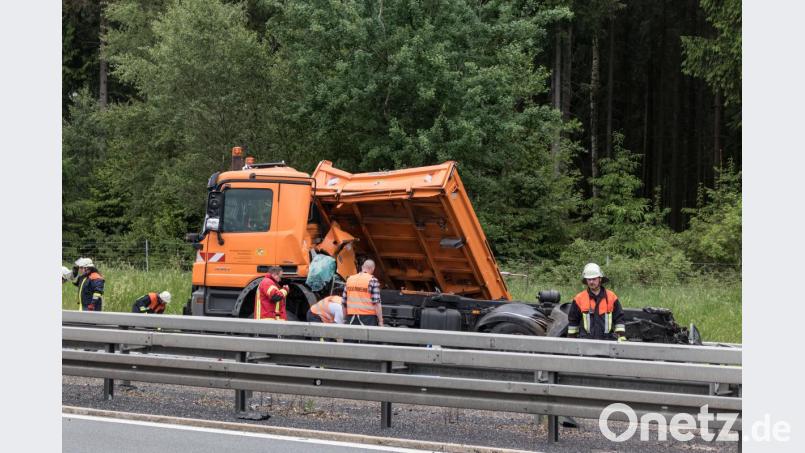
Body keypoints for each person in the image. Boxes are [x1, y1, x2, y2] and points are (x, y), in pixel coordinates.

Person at [567, 263, 626, 342]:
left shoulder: (611, 297)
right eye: (589, 279)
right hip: (585, 342)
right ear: (586, 280)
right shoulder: (579, 298)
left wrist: (621, 336)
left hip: (607, 341)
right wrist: (571, 340)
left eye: (594, 279)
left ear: (600, 279)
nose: (591, 282)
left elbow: (619, 319)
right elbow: (573, 322)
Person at [343, 259, 384, 327]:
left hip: (350, 318)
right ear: (372, 269)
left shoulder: (349, 279)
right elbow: (377, 303)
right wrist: (380, 321)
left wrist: (344, 319)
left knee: (350, 337)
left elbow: (343, 302)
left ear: (362, 267)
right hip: (368, 319)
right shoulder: (373, 280)